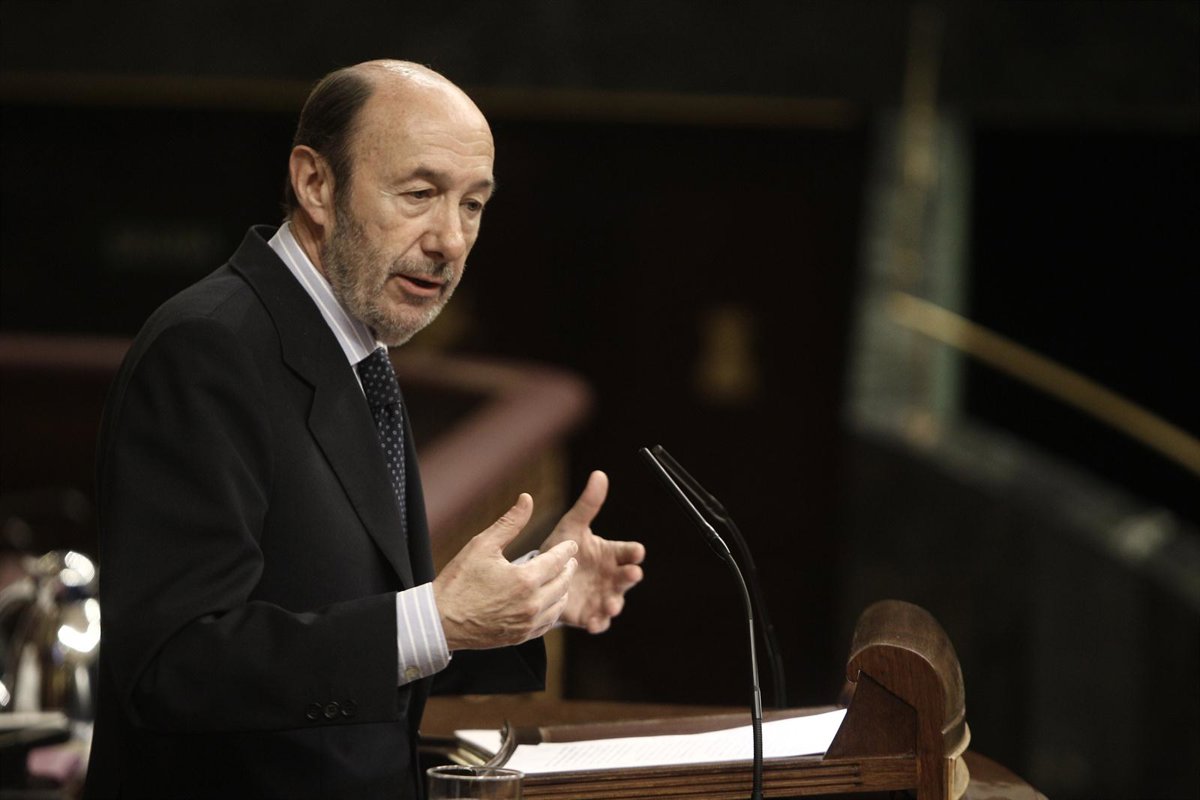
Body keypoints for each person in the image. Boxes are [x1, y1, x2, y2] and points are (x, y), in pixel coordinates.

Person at [83, 59, 646, 799]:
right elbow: (174, 666)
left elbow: (348, 632)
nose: (451, 240)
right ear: (316, 184)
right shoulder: (208, 349)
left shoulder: (355, 347)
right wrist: (434, 620)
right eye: (420, 194)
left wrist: (523, 603)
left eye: (473, 205)